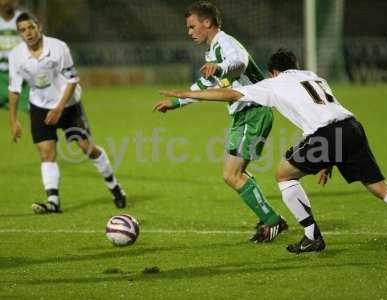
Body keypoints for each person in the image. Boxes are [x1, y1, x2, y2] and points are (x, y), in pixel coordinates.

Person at [160, 48, 387, 254]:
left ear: (274, 71)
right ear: (295, 66)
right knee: (382, 189)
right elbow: (325, 112)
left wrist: (186, 94)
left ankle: (312, 236)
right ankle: (312, 236)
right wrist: (328, 161)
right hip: (352, 127)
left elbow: (231, 93)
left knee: (284, 175)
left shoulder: (273, 84)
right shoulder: (313, 77)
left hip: (326, 135)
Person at [153, 1, 287, 242]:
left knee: (232, 175)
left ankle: (272, 221)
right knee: (234, 174)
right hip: (242, 114)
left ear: (207, 22)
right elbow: (205, 85)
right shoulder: (213, 51)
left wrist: (219, 68)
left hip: (253, 111)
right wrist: (176, 102)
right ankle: (268, 217)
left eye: (192, 26)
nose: (189, 32)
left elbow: (240, 62)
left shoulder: (225, 43)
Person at [8, 12, 127, 213]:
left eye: (30, 28)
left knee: (86, 148)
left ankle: (114, 185)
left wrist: (59, 109)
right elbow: (14, 89)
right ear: (19, 34)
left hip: (69, 105)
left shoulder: (58, 47)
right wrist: (14, 121)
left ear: (39, 27)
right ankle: (53, 201)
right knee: (46, 153)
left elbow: (72, 80)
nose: (27, 33)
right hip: (39, 107)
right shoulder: (16, 55)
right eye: (22, 30)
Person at [0, 0, 28, 111]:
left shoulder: (23, 19)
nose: (7, 3)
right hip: (1, 73)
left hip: (20, 73)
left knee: (26, 109)